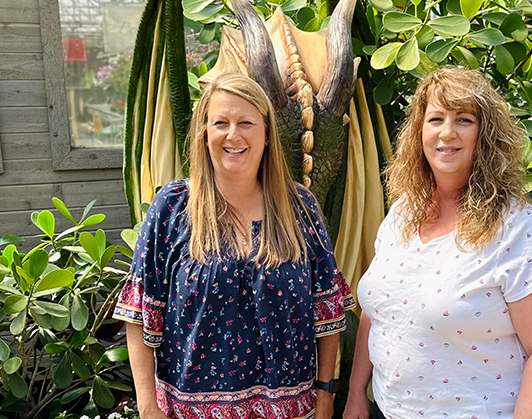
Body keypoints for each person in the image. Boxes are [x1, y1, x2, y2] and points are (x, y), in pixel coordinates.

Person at [114, 72, 354, 419]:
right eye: (220, 123)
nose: (233, 134)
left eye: (246, 123)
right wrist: (148, 407)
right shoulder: (173, 207)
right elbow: (139, 313)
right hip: (188, 412)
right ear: (204, 133)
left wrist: (326, 394)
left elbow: (327, 308)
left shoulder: (300, 209)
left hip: (290, 412)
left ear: (267, 134)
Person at [343, 68, 532, 419]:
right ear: (419, 132)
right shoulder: (403, 213)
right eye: (435, 119)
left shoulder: (515, 228)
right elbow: (378, 310)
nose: (447, 132)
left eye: (464, 119)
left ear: (487, 134)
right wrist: (356, 393)